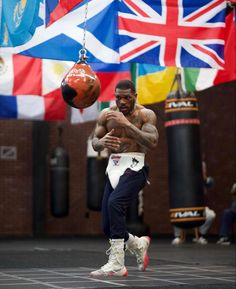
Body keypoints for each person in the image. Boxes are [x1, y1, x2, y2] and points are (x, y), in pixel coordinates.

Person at [90, 80, 158, 277]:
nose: (122, 101)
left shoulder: (146, 115)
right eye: (118, 97)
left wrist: (126, 124)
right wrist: (100, 142)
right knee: (107, 225)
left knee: (115, 202)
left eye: (127, 97)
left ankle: (118, 264)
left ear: (135, 96)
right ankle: (138, 244)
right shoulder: (106, 114)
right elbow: (95, 142)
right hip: (114, 166)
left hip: (136, 165)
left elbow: (152, 142)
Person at [171, 159, 216, 245]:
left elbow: (210, 183)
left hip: (200, 208)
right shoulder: (186, 178)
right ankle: (177, 236)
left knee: (211, 215)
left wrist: (203, 177)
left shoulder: (206, 180)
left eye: (203, 168)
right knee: (175, 212)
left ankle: (200, 235)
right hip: (184, 207)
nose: (202, 170)